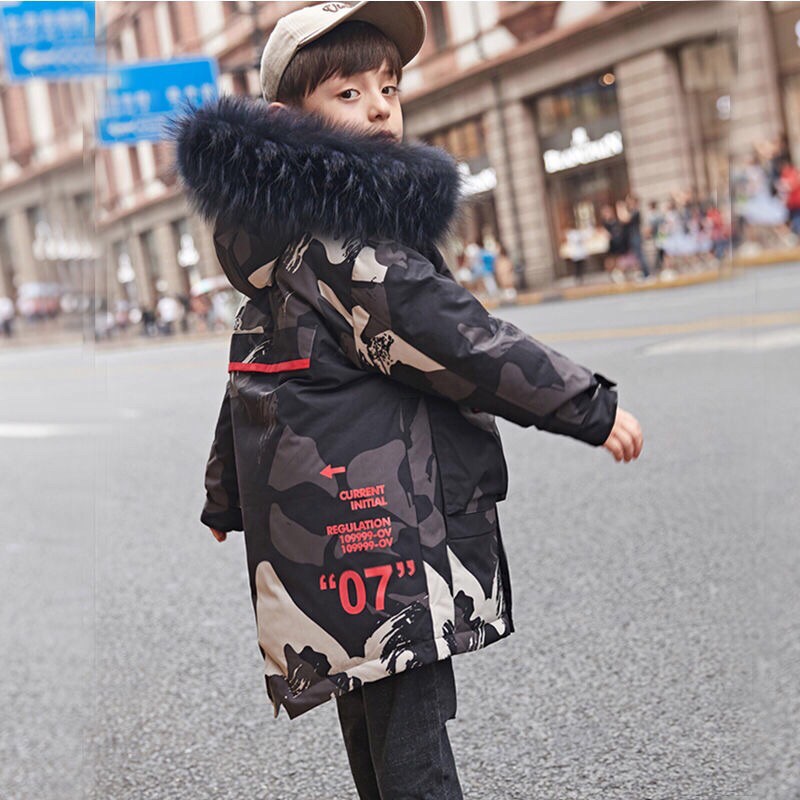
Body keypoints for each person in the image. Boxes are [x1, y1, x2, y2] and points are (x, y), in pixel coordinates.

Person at [173, 4, 643, 798]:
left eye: (388, 88)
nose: (379, 108)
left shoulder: (281, 247)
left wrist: (225, 494)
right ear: (287, 120)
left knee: (374, 719)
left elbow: (255, 377)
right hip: (384, 534)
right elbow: (462, 341)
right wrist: (587, 408)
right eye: (347, 93)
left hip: (330, 544)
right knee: (412, 739)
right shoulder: (348, 245)